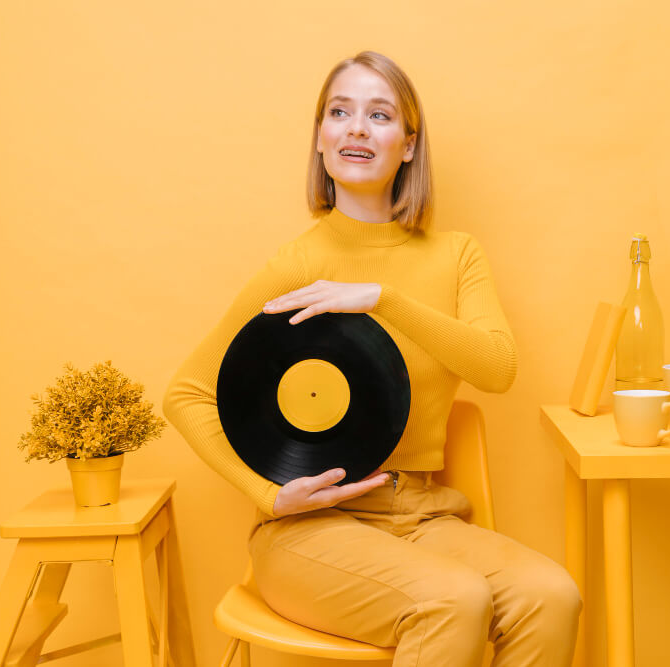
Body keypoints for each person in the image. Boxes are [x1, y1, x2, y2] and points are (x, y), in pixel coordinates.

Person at [163, 50, 581, 666]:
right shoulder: (298, 265)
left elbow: (497, 368)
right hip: (309, 533)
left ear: (408, 146)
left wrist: (384, 300)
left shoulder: (457, 256)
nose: (356, 128)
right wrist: (268, 494)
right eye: (340, 113)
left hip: (422, 517)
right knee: (453, 601)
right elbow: (187, 392)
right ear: (321, 138)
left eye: (379, 115)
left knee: (552, 596)